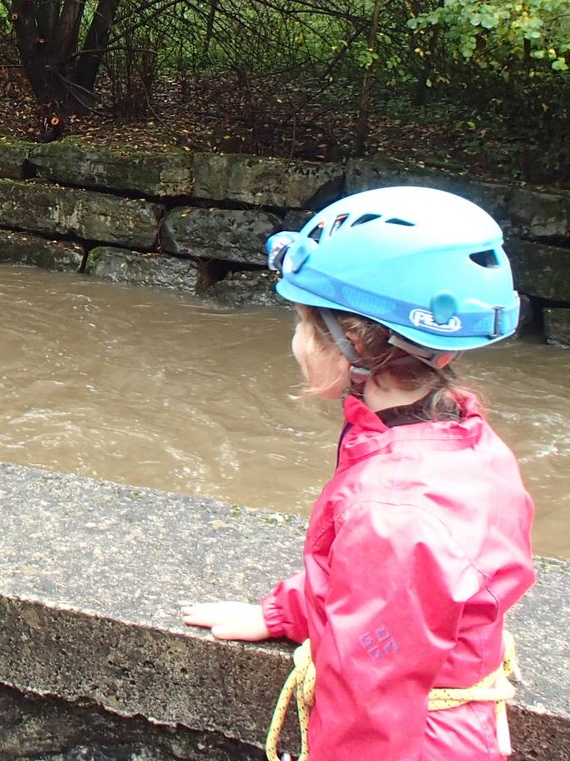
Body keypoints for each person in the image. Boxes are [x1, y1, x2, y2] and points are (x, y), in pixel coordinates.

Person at [181, 185, 534, 761]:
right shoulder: (460, 436)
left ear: (353, 347)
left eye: (303, 323)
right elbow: (380, 591)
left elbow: (369, 701)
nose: (296, 341)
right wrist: (284, 613)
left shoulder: (392, 508)